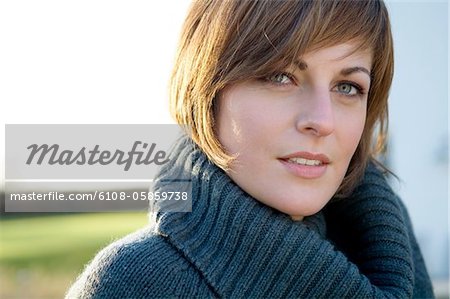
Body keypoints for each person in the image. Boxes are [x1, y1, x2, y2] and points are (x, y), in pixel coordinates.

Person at [66, 0, 434, 298]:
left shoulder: (391, 252)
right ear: (207, 88)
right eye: (280, 77)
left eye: (348, 87)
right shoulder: (133, 283)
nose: (323, 121)